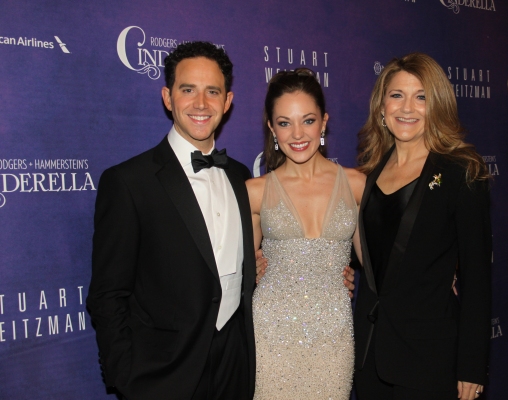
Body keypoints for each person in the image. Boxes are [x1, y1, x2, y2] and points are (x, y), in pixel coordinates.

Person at [87, 41, 259, 400]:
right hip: (163, 374)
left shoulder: (243, 177)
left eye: (213, 91)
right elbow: (108, 293)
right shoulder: (129, 182)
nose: (201, 104)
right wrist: (126, 375)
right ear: (168, 97)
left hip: (235, 365)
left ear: (227, 102)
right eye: (188, 90)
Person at [353, 53, 492, 400]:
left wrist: (471, 366)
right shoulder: (369, 172)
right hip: (371, 352)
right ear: (382, 107)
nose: (407, 107)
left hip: (429, 358)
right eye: (397, 95)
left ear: (437, 106)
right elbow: (371, 256)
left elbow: (477, 279)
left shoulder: (462, 172)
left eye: (422, 97)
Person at [246, 68, 365, 399]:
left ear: (324, 122)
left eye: (308, 120)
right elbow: (225, 270)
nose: (297, 133)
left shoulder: (357, 185)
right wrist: (248, 271)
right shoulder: (254, 192)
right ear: (271, 128)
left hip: (333, 339)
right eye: (284, 123)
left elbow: (383, 262)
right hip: (271, 337)